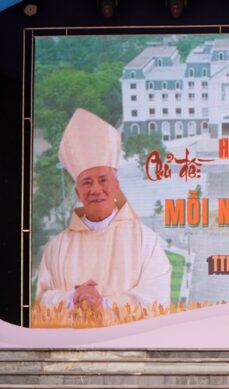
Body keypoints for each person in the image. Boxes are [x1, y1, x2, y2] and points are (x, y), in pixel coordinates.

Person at [35, 108, 171, 317]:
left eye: (103, 180)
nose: (95, 189)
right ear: (78, 192)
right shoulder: (56, 248)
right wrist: (72, 299)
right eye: (87, 182)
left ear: (116, 186)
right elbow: (42, 300)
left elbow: (157, 298)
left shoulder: (145, 240)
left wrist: (103, 304)